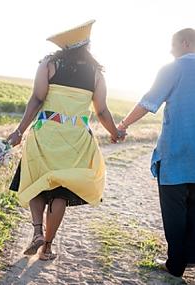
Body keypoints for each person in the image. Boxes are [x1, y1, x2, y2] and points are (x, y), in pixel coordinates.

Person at [7, 20, 123, 260]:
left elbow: (37, 99)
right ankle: (47, 247)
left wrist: (19, 131)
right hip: (76, 140)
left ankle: (38, 231)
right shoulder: (96, 74)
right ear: (87, 46)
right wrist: (115, 132)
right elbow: (102, 111)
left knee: (36, 181)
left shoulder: (49, 64)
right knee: (60, 193)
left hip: (45, 134)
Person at [117, 28, 195, 277]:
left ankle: (176, 265)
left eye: (173, 45)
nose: (170, 51)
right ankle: (191, 257)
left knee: (174, 209)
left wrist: (123, 125)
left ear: (185, 43)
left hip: (176, 151)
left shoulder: (172, 69)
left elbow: (148, 102)